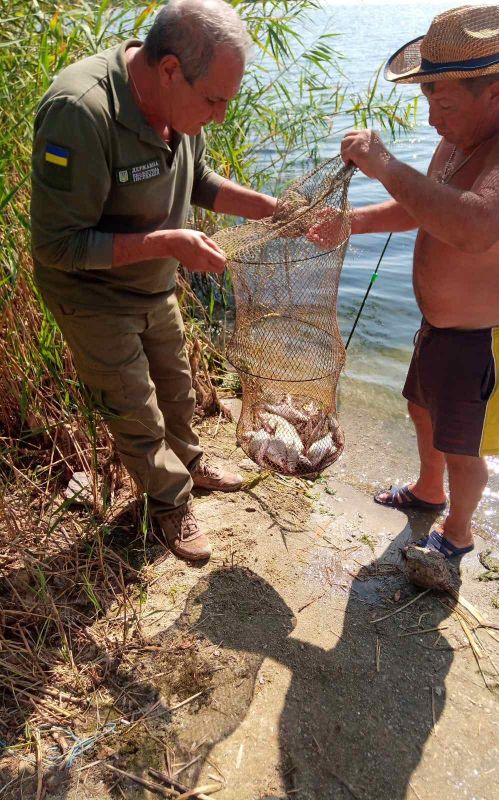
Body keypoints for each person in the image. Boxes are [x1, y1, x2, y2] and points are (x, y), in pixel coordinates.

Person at [30, 0, 278, 561]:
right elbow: (57, 246)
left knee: (177, 387)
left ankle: (190, 462)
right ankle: (170, 503)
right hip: (91, 295)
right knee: (136, 410)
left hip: (153, 281)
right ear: (169, 69)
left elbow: (199, 179)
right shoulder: (80, 111)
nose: (219, 116)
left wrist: (269, 208)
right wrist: (168, 243)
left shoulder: (180, 107)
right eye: (213, 100)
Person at [312, 4, 499, 557]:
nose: (432, 120)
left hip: (486, 337)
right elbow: (426, 205)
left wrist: (385, 164)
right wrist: (351, 223)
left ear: (493, 93)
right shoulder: (464, 132)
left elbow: (473, 226)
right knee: (422, 408)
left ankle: (457, 536)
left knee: (464, 446)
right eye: (428, 101)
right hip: (440, 326)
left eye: (442, 104)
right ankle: (429, 491)